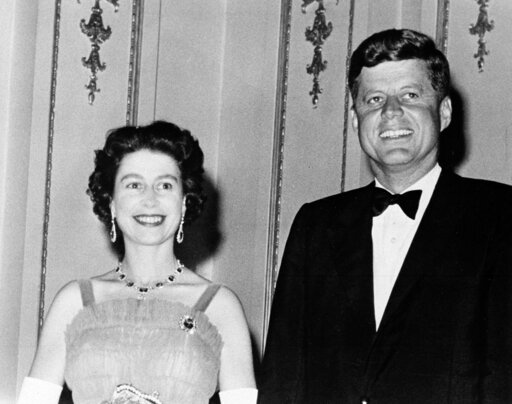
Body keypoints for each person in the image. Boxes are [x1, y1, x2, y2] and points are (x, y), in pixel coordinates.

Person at [258, 28, 512, 403]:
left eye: (410, 95)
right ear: (355, 118)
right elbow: (282, 377)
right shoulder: (316, 225)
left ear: (443, 112)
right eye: (374, 99)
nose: (390, 112)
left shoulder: (500, 215)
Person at [18, 121, 257, 404]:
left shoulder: (220, 305)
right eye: (134, 185)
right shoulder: (74, 301)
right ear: (111, 202)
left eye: (165, 185)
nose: (150, 200)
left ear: (183, 201)